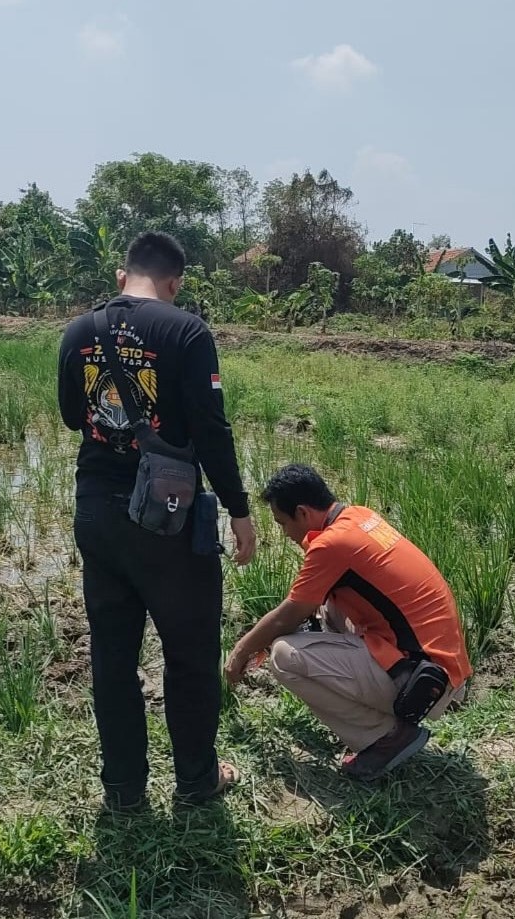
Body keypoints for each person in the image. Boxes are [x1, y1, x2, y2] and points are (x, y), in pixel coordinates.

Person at [58, 231, 256, 810]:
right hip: (167, 518)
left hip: (97, 510)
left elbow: (75, 415)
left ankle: (123, 791)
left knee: (113, 658)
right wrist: (239, 511)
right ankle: (196, 781)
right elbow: (211, 429)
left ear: (123, 276)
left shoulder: (80, 331)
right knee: (191, 654)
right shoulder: (187, 331)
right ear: (175, 283)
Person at [224, 465, 472, 781]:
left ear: (302, 512)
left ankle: (386, 737)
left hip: (421, 680)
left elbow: (290, 613)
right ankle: (387, 707)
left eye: (283, 523)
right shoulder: (359, 517)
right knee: (327, 608)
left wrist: (241, 652)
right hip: (443, 664)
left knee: (284, 656)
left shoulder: (332, 545)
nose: (285, 534)